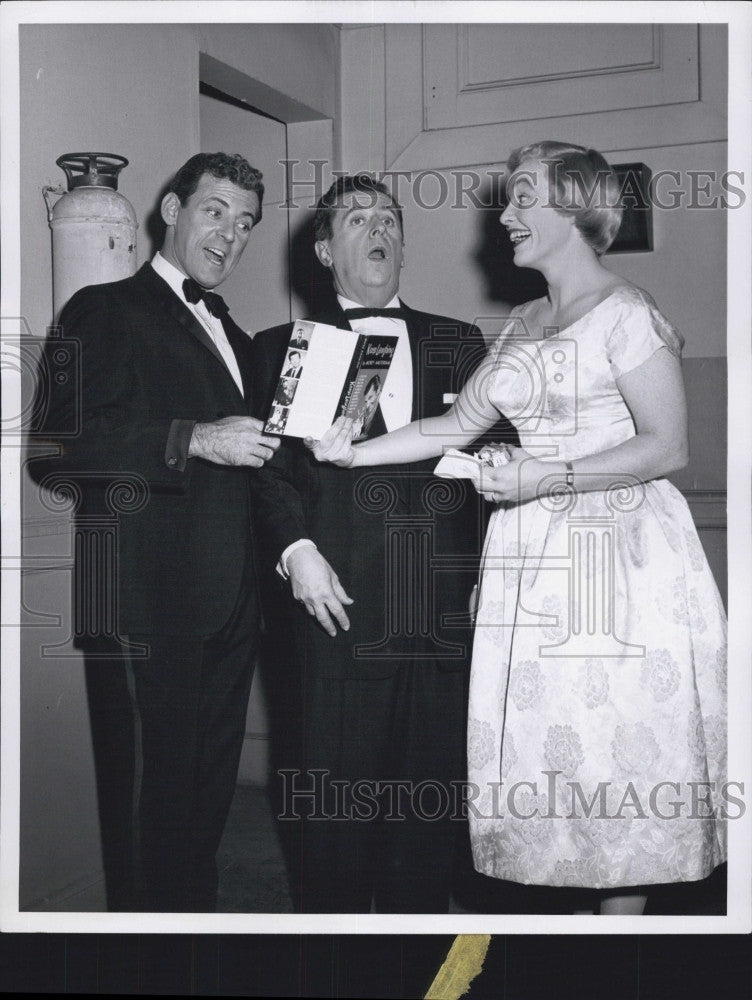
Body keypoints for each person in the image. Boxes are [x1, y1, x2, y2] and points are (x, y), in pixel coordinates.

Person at [309, 143, 728, 916]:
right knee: (559, 768)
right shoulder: (522, 321)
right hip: (530, 561)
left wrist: (542, 477)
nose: (503, 216)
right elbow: (449, 427)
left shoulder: (628, 313)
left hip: (616, 563)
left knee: (613, 766)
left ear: (573, 205)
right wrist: (351, 452)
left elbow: (670, 446)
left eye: (521, 197)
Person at [250, 173, 517, 913]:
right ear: (326, 248)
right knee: (332, 824)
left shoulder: (459, 342)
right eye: (360, 219)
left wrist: (486, 563)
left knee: (429, 827)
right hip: (335, 614)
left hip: (439, 617)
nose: (380, 231)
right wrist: (296, 550)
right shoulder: (284, 349)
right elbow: (268, 477)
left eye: (391, 220)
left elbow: (495, 463)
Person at [34, 152, 280, 912]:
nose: (230, 236)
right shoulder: (101, 310)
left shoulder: (236, 337)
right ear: (171, 211)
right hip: (143, 613)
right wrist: (194, 439)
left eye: (245, 224)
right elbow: (54, 450)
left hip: (230, 612)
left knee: (200, 820)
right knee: (149, 824)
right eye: (215, 212)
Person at [352, 373, 382, 438]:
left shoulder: (380, 416)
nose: (367, 404)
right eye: (366, 401)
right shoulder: (366, 412)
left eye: (370, 397)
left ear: (378, 392)